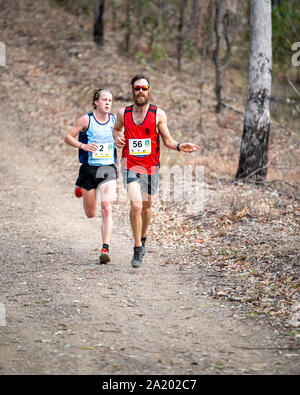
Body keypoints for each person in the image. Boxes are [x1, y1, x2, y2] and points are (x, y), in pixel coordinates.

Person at [113, 75, 200, 268]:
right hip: (130, 164)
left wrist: (180, 146)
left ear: (149, 90)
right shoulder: (123, 113)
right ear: (132, 91)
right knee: (135, 205)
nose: (141, 91)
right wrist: (117, 138)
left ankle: (143, 238)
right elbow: (116, 130)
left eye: (144, 88)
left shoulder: (158, 114)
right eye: (137, 88)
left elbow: (167, 140)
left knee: (146, 207)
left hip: (151, 167)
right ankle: (137, 249)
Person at [64, 88, 117, 264]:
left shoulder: (115, 121)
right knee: (90, 214)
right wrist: (83, 146)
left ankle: (105, 248)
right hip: (89, 170)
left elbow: (122, 137)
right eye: (104, 100)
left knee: (107, 206)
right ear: (96, 102)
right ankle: (81, 187)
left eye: (110, 100)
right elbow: (68, 137)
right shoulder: (86, 120)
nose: (108, 103)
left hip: (108, 168)